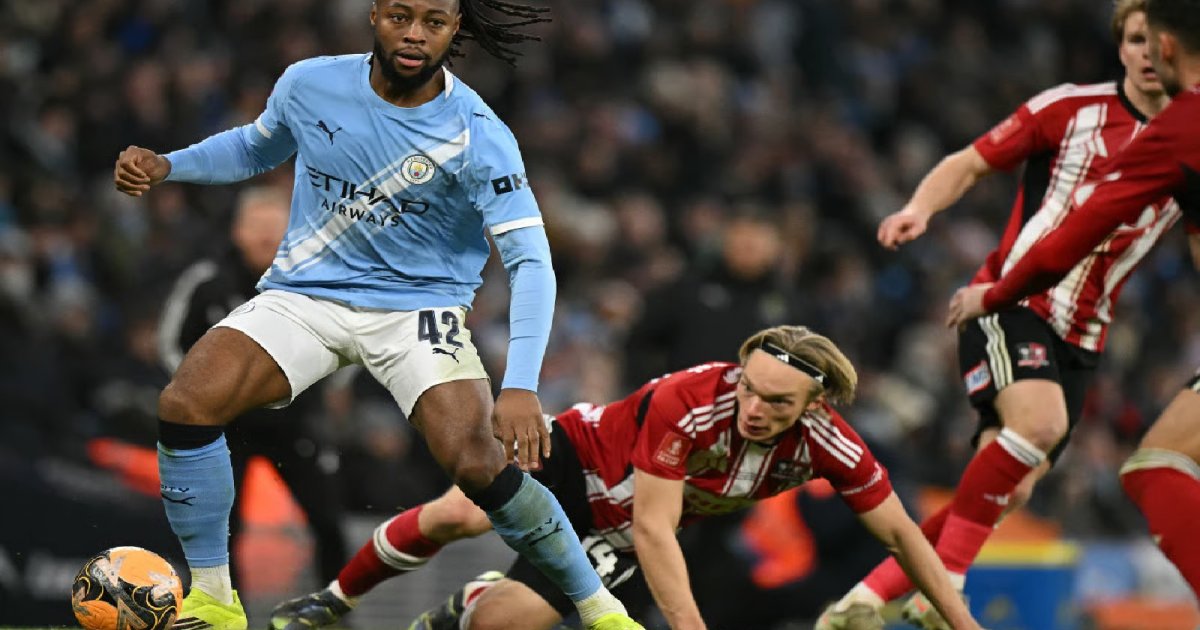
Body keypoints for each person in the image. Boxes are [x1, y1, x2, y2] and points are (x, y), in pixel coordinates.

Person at [111, 1, 642, 629]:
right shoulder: (310, 83)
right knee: (186, 402)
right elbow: (255, 149)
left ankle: (600, 609)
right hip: (306, 295)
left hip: (417, 309)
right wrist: (171, 164)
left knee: (477, 463)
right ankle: (213, 599)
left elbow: (531, 262)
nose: (414, 35)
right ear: (374, 15)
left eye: (434, 22)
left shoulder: (478, 133)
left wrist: (521, 384)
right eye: (400, 16)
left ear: (455, 30)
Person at [821, 2, 1187, 627]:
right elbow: (970, 161)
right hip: (1010, 302)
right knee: (1039, 425)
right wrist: (920, 208)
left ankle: (865, 599)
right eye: (1135, 39)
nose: (1148, 53)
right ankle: (946, 589)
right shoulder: (1070, 108)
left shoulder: (1189, 138)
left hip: (1085, 334)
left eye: (1159, 41)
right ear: (1120, 47)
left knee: (1007, 489)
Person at [269, 325, 983, 630]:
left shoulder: (833, 446)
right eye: (748, 387)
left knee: (500, 625)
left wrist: (963, 622)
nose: (754, 408)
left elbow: (903, 536)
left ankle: (472, 601)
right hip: (575, 458)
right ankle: (331, 600)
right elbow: (655, 525)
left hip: (621, 528)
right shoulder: (692, 402)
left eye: (777, 402)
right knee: (459, 514)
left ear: (816, 406)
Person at [945, 0, 1200, 600]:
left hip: (1047, 310)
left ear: (1165, 46)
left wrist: (997, 293)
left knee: (1157, 467)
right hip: (1062, 332)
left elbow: (1080, 230)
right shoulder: (1076, 109)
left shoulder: (1183, 125)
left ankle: (936, 578)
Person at [158, 186, 347, 588]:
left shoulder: (318, 281)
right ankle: (225, 610)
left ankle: (331, 610)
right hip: (225, 427)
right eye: (256, 225)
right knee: (221, 529)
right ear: (237, 232)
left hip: (296, 423)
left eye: (273, 226)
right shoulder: (207, 281)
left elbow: (349, 341)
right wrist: (203, 395)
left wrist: (319, 389)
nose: (264, 235)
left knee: (329, 521)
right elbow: (171, 343)